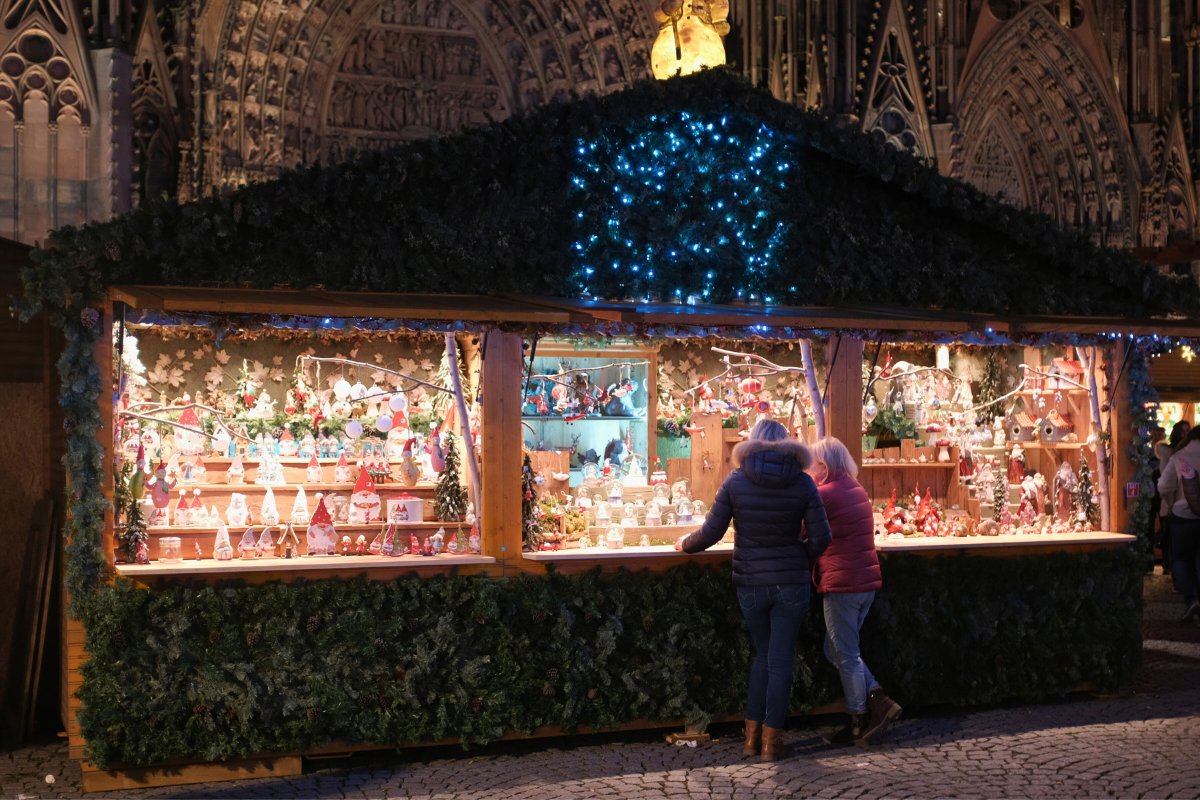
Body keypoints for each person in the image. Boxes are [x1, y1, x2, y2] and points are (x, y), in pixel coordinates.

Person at [674, 419, 831, 761]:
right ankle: (771, 745)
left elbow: (711, 533)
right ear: (788, 445)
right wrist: (796, 557)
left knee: (762, 657)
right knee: (780, 660)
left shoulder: (736, 481)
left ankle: (751, 739)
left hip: (751, 584)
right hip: (791, 584)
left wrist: (684, 544)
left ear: (753, 443)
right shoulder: (804, 483)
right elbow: (822, 538)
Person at [808, 437, 903, 746]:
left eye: (812, 463)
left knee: (845, 654)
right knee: (836, 650)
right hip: (864, 583)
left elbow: (802, 530)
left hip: (843, 584)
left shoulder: (826, 494)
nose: (809, 467)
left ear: (823, 465)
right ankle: (876, 700)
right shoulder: (855, 489)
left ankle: (859, 719)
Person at [1157, 424, 1200, 621]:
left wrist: (1172, 502)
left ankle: (1192, 598)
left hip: (1182, 516)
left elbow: (1164, 486)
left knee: (1181, 560)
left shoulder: (1179, 457)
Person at [1157, 420, 1191, 576]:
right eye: (1183, 431)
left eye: (1187, 431)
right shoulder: (1169, 453)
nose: (1185, 434)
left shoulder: (1189, 453)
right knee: (1170, 538)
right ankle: (1170, 567)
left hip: (1186, 504)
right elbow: (1165, 480)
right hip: (1171, 503)